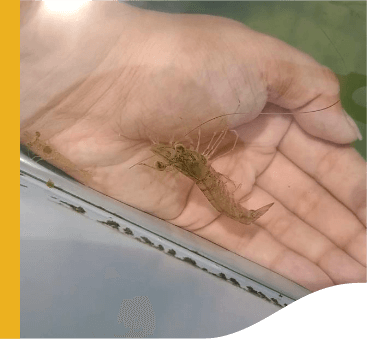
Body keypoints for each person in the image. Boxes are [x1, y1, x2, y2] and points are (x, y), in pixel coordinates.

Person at [20, 1, 366, 292]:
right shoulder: (187, 157)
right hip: (214, 186)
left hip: (217, 188)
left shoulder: (191, 159)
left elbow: (188, 158)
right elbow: (183, 157)